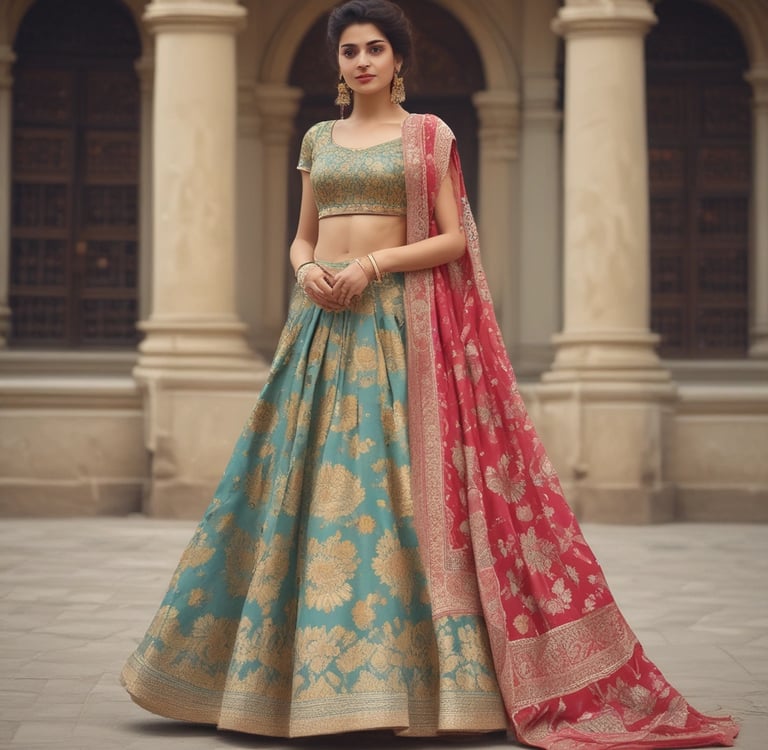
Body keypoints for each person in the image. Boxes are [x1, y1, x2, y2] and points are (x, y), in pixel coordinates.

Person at [121, 1, 740, 747]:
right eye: (349, 50)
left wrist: (374, 264)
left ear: (398, 59)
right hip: (321, 331)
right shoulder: (320, 138)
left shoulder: (429, 136)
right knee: (295, 485)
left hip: (396, 332)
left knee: (393, 493)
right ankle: (282, 678)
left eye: (375, 48)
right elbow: (301, 235)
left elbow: (451, 238)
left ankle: (417, 684)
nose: (361, 61)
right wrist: (310, 270)